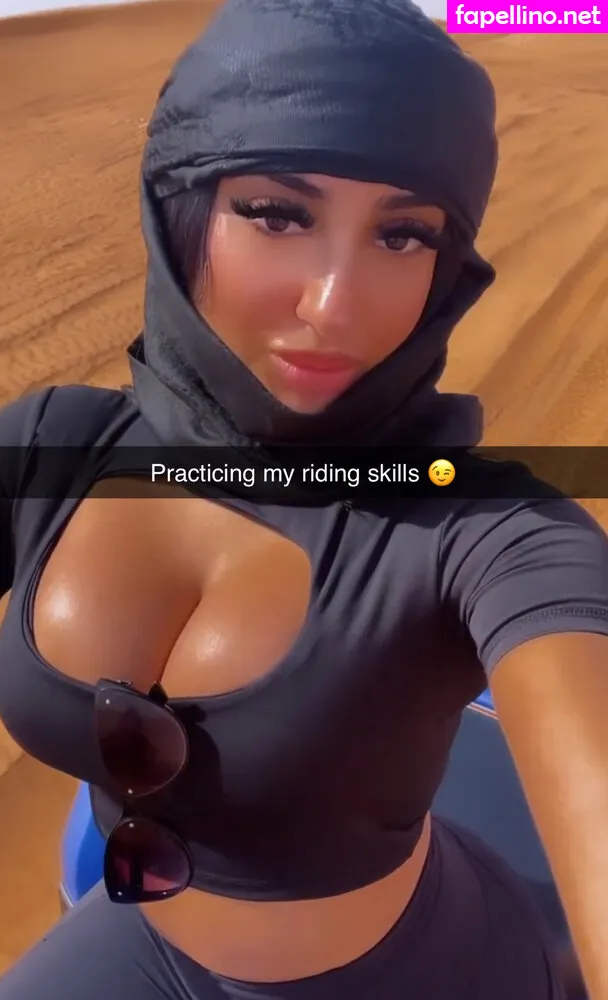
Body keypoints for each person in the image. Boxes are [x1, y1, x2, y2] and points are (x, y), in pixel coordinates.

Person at [0, 0, 607, 997]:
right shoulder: (55, 444)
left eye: (402, 236)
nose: (334, 304)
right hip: (140, 943)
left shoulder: (485, 528)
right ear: (181, 208)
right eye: (278, 215)